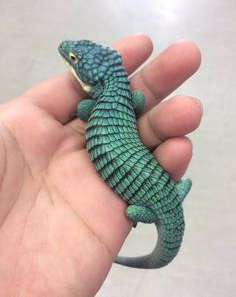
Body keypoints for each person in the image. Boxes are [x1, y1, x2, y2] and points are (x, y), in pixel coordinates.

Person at [0, 34, 202, 296]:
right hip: (165, 195)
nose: (67, 54)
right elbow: (138, 101)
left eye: (73, 59)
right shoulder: (131, 99)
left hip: (152, 206)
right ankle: (173, 197)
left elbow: (85, 108)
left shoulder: (91, 105)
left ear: (91, 79)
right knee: (159, 190)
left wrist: (88, 108)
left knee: (131, 213)